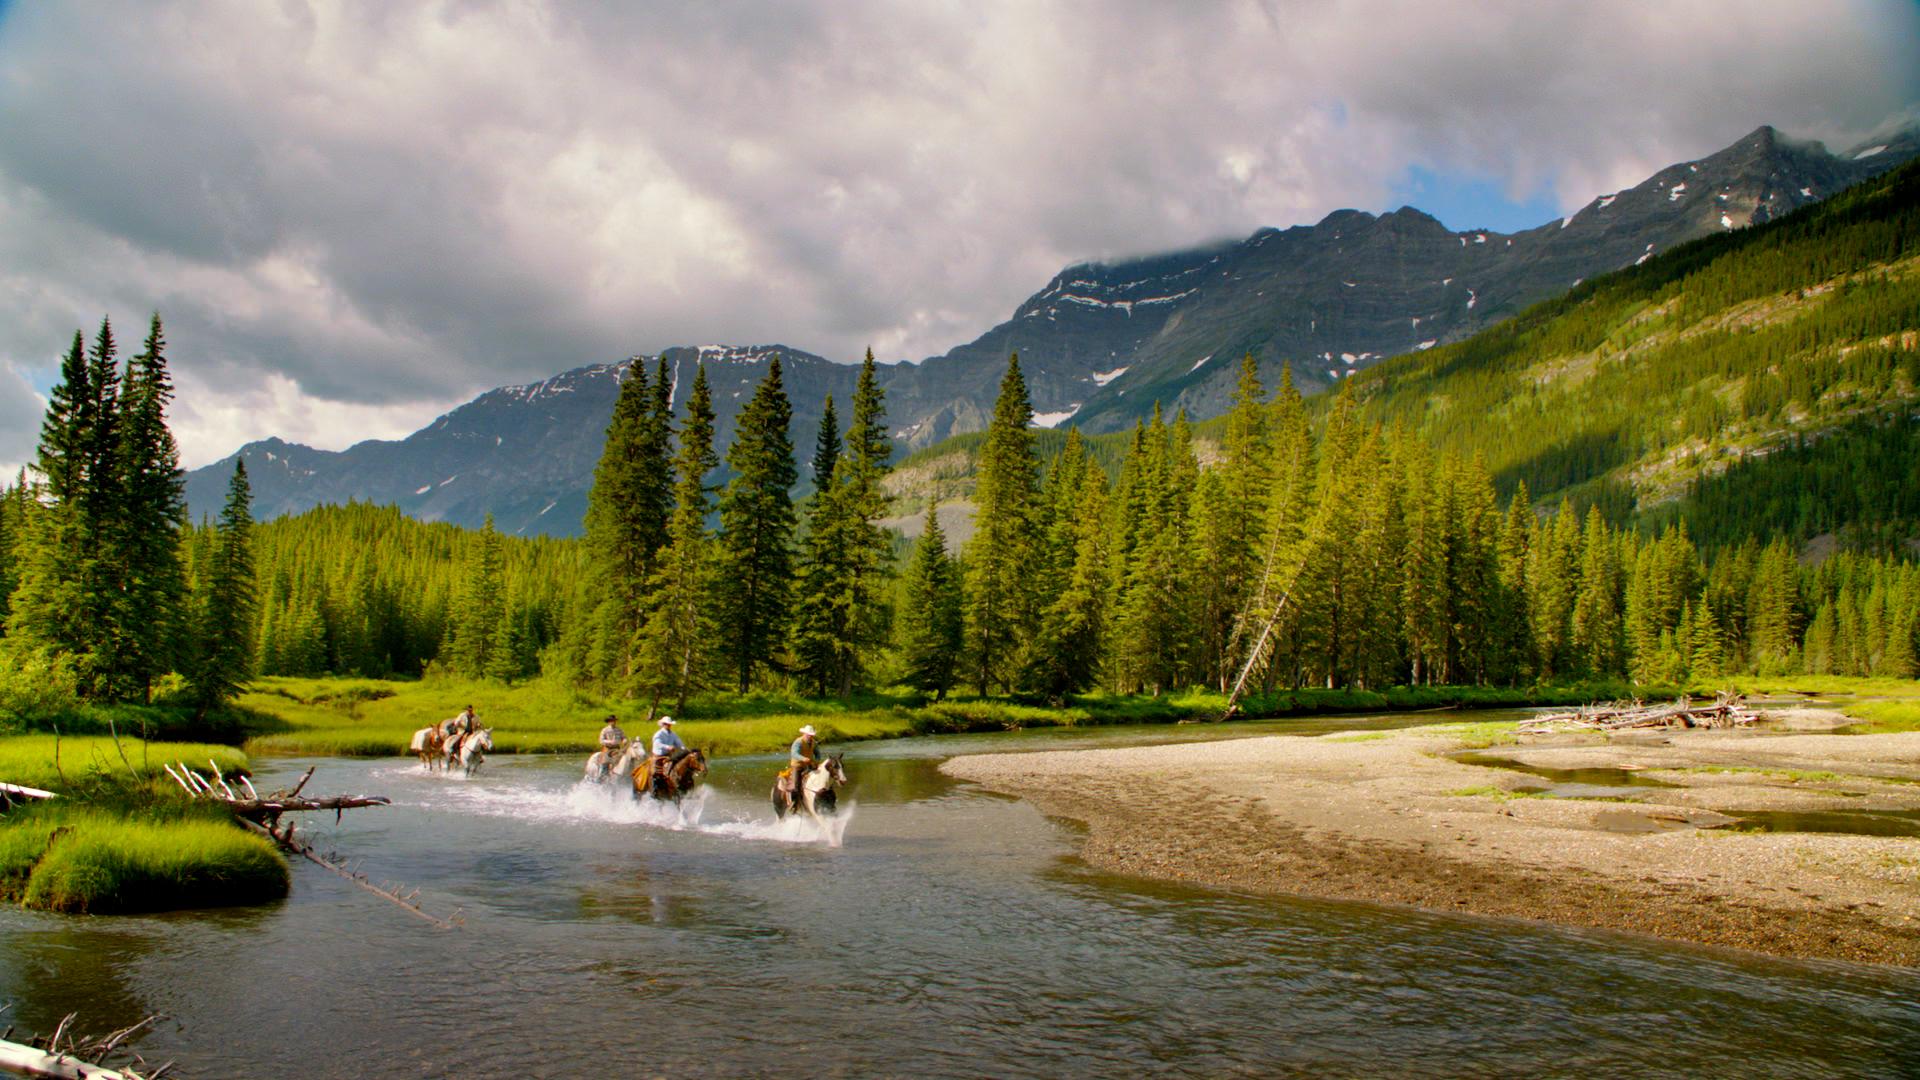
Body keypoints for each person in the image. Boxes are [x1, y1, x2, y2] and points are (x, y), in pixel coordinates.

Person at [784, 724, 822, 810]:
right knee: (795, 786)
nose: (810, 736)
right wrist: (803, 759)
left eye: (811, 735)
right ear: (804, 734)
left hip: (809, 766)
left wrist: (817, 761)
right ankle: (793, 803)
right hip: (797, 766)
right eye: (809, 735)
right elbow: (794, 753)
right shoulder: (798, 742)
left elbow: (818, 753)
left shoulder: (813, 743)